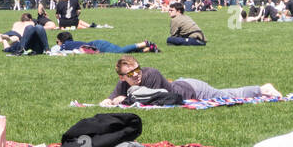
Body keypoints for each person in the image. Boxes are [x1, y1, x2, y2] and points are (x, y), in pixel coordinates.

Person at [100, 55, 280, 105]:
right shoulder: (124, 83)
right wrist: (109, 100)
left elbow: (156, 99)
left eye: (137, 69)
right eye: (130, 74)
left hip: (193, 89)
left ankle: (262, 88)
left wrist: (126, 100)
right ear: (122, 77)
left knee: (225, 95)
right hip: (180, 83)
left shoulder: (151, 74)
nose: (136, 74)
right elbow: (113, 97)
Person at [55, 32, 157, 54]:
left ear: (61, 40)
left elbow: (59, 52)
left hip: (98, 45)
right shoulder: (72, 43)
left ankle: (144, 43)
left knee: (119, 52)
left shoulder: (66, 45)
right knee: (125, 52)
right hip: (98, 44)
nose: (57, 43)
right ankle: (149, 49)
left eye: (57, 41)